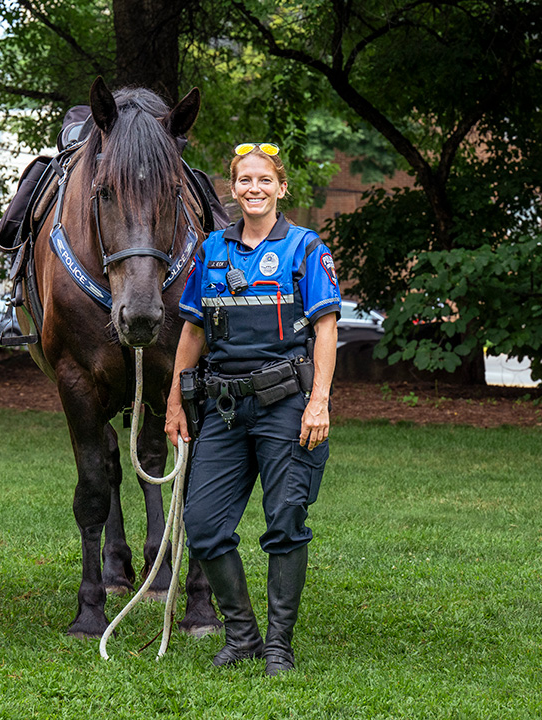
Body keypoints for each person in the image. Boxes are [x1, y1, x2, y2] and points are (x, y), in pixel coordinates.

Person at [164, 142, 339, 675]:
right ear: (232, 190)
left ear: (281, 188)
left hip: (288, 405)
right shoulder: (211, 250)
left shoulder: (305, 249)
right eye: (245, 181)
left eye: (265, 180)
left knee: (285, 520)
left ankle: (279, 645)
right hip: (223, 410)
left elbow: (327, 330)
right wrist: (175, 399)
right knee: (203, 523)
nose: (255, 189)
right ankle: (242, 636)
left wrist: (319, 403)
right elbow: (192, 329)